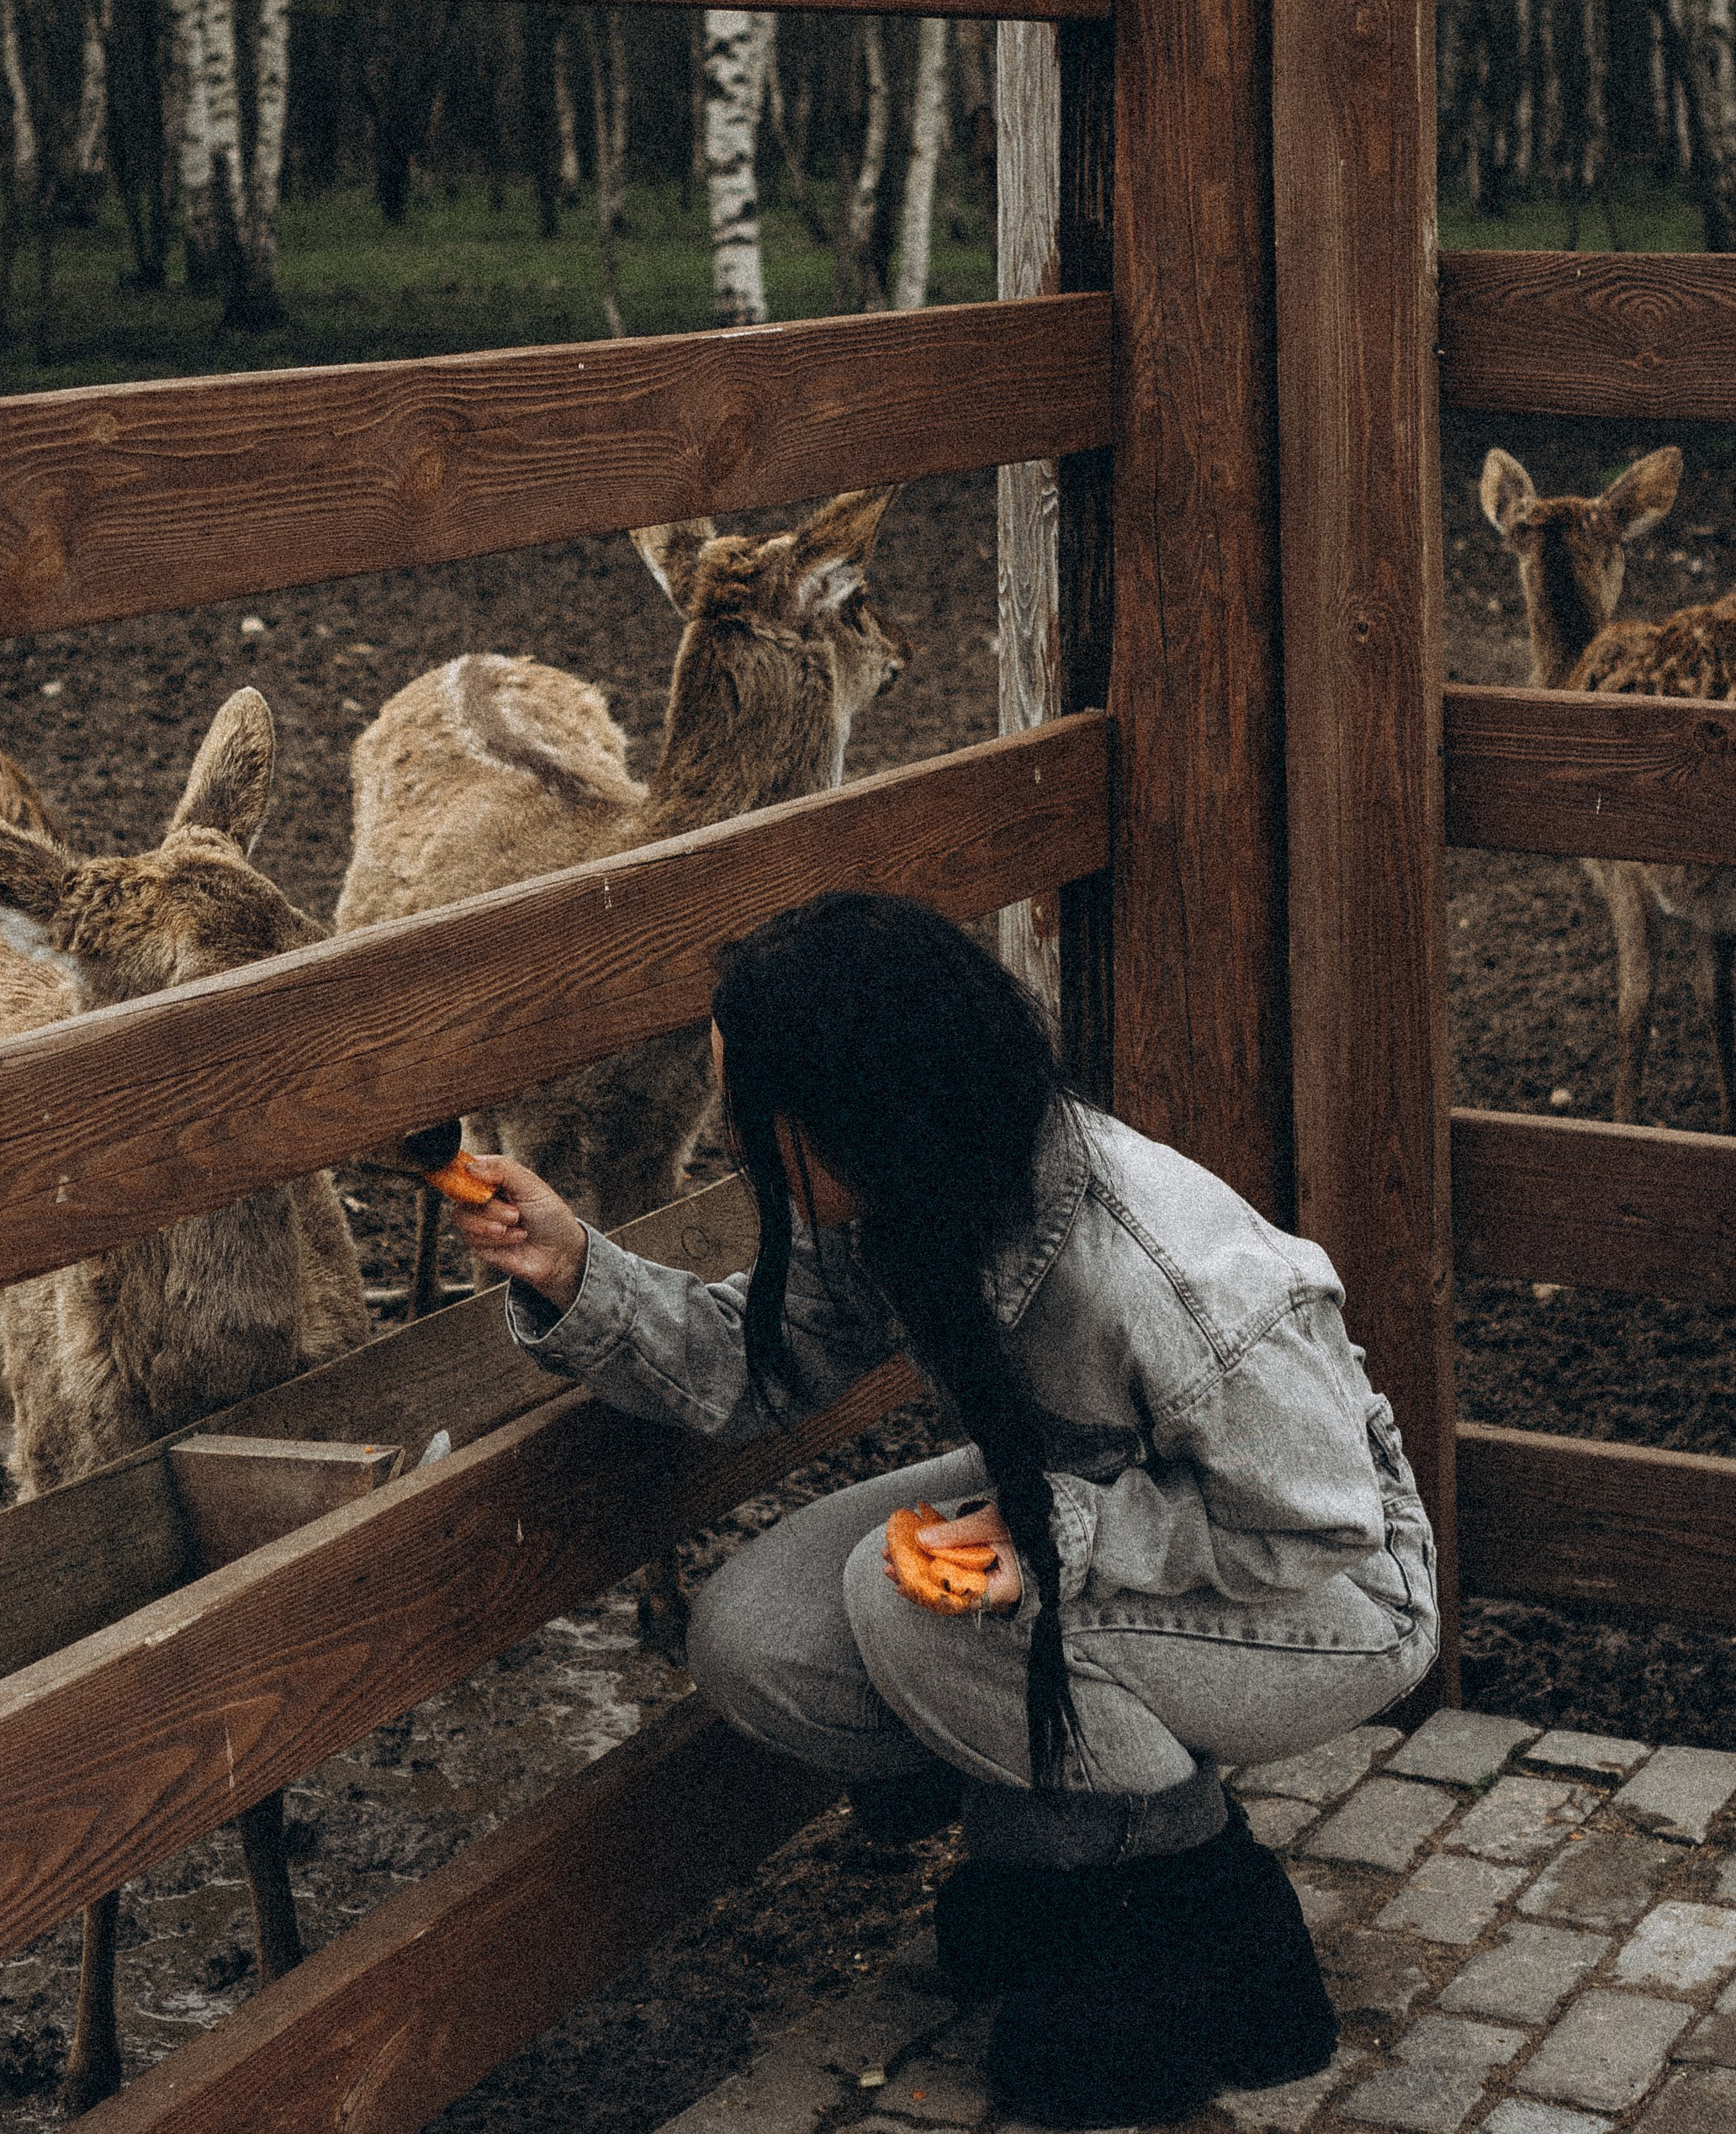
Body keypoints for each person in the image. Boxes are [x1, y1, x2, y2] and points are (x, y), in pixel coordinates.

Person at [441, 892, 1437, 2129]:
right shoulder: (908, 1195)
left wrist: (1056, 1538)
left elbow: (1315, 1525)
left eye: (761, 1117)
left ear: (863, 1104)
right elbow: (764, 1360)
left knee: (904, 1606)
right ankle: (1046, 1836)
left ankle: (1208, 1921)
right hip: (1099, 1510)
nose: (739, 1151)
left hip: (1335, 1593)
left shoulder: (1168, 1272)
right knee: (759, 1638)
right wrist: (575, 1268)